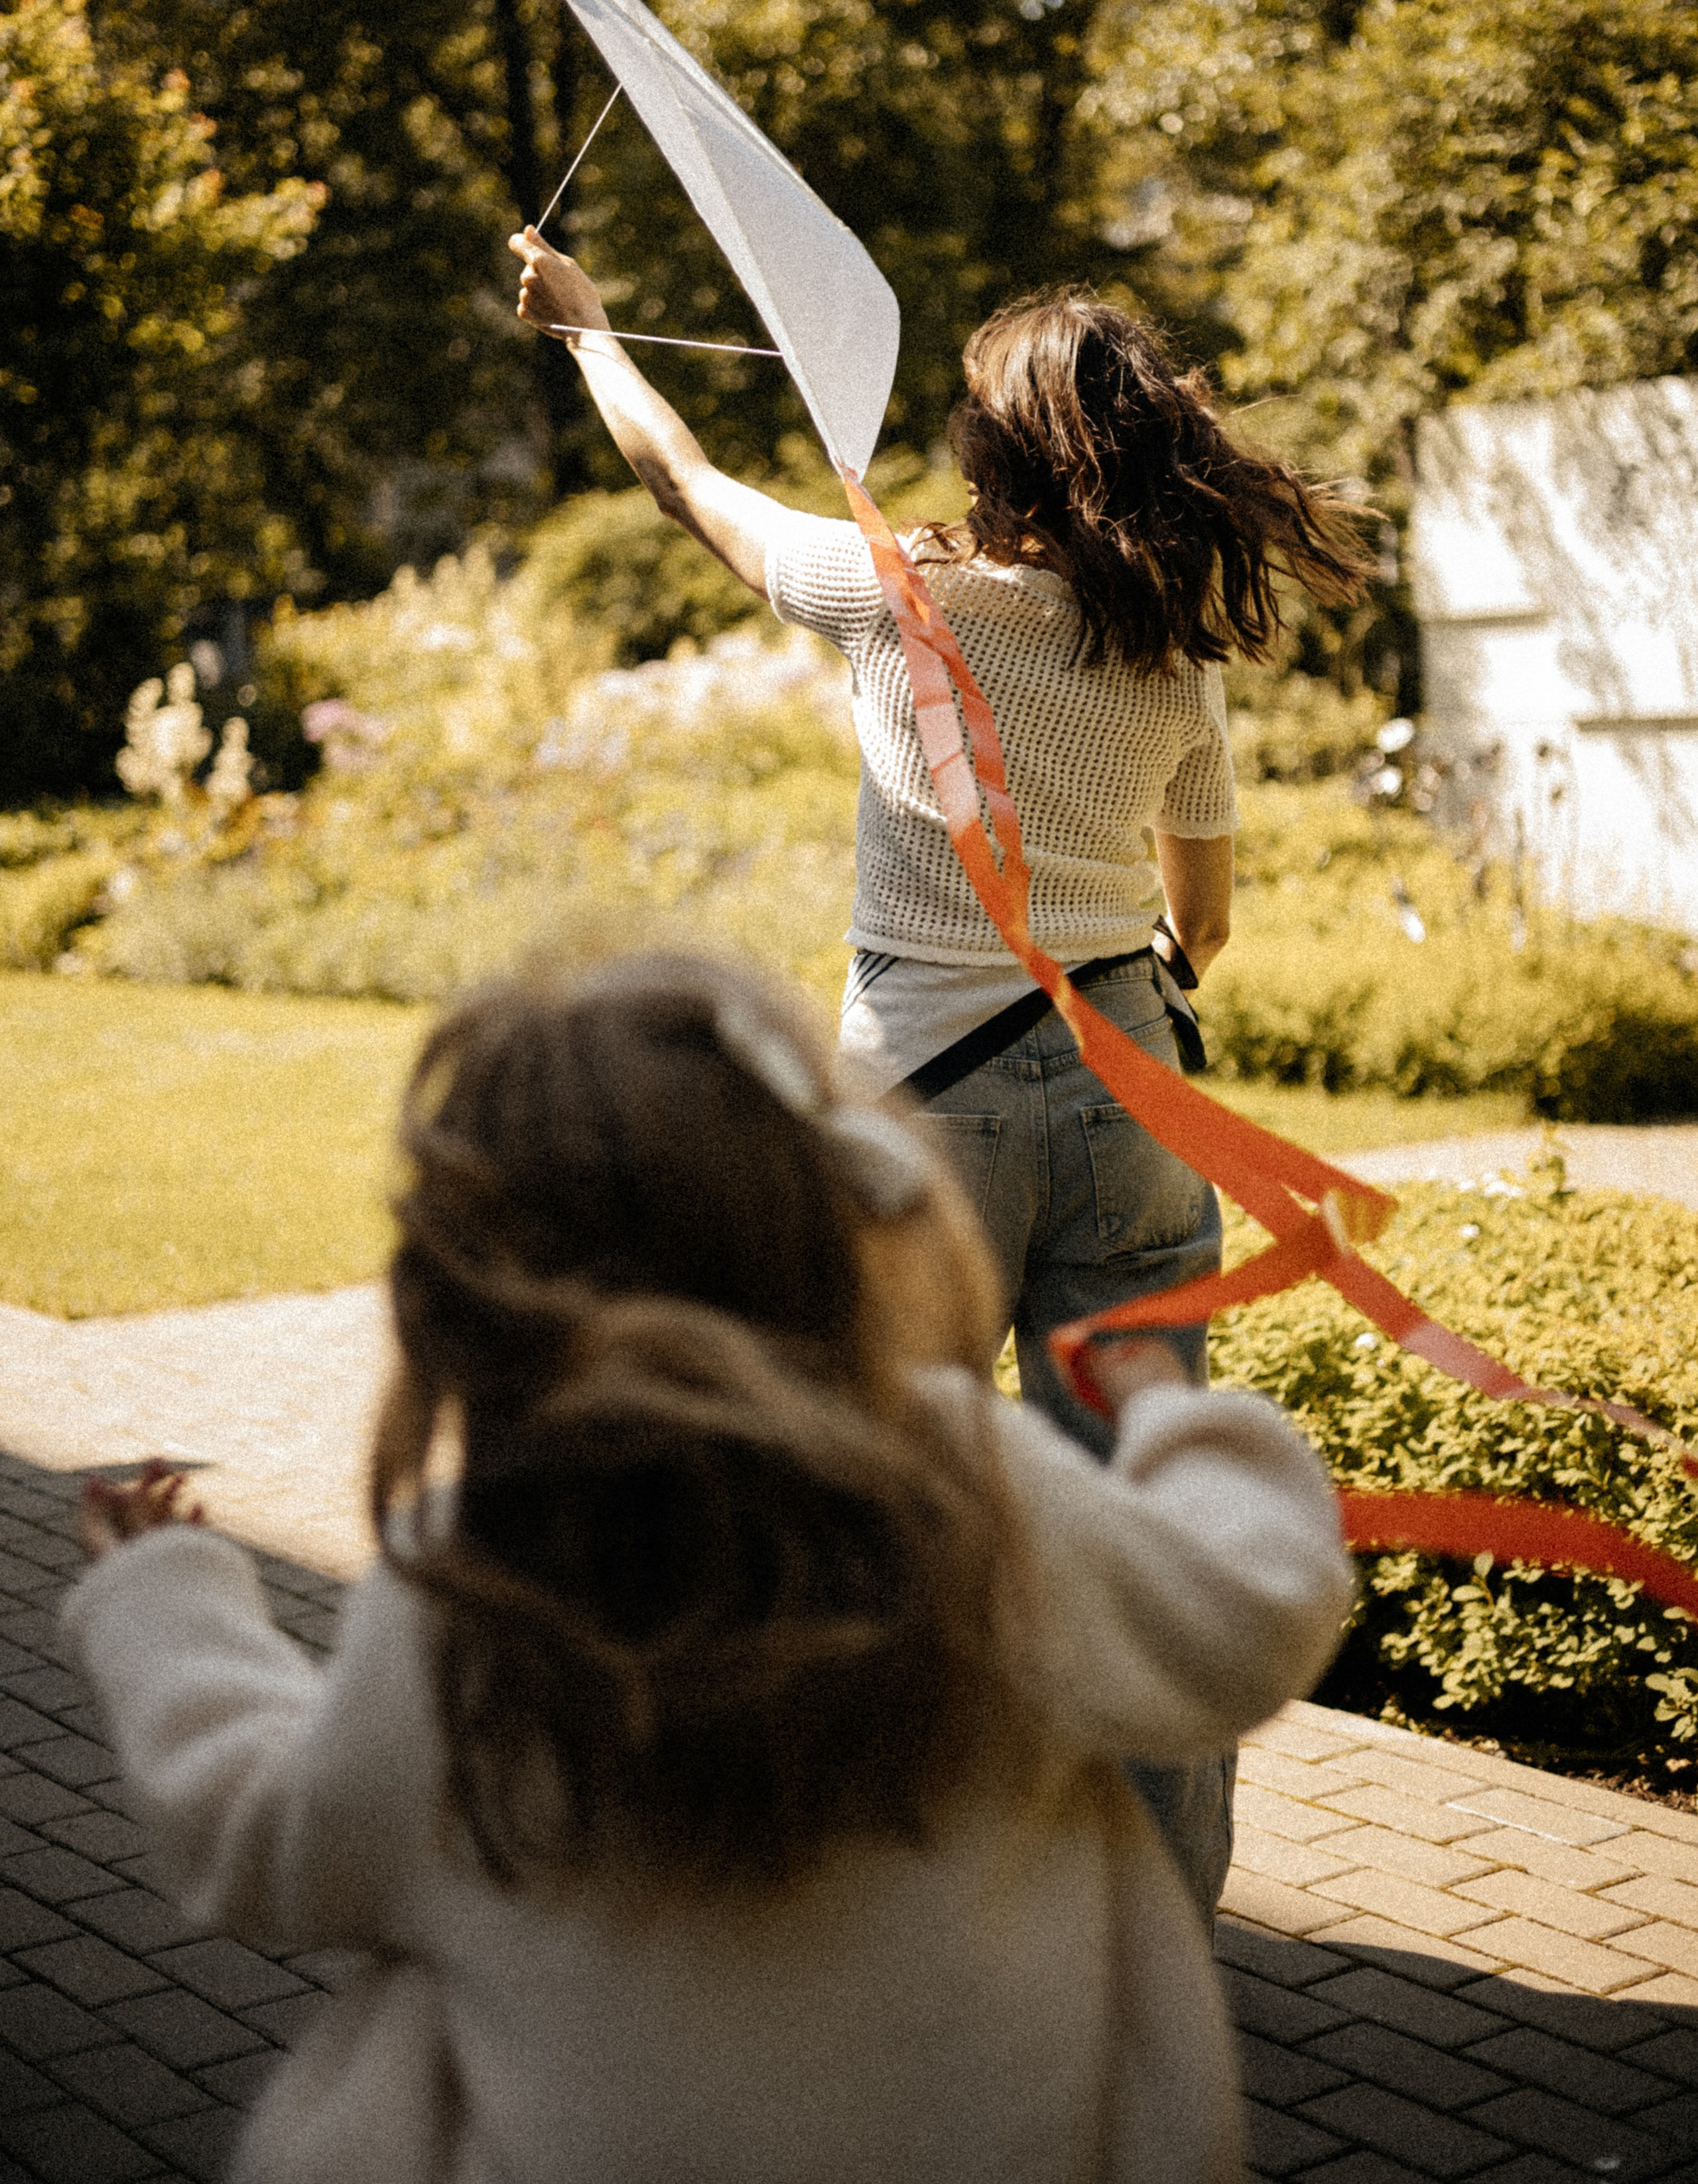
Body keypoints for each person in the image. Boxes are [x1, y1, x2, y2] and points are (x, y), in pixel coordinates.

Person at [68, 955, 1352, 2184]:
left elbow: (275, 1844)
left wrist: (170, 1608)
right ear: (829, 1225)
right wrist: (1179, 1425)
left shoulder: (472, 1582)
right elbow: (1246, 1612)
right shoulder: (967, 1491)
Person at [506, 233, 1370, 1911]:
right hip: (1132, 1099)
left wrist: (590, 333)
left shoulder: (888, 601)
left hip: (920, 1122)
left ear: (996, 454)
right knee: (1136, 1530)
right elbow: (1204, 917)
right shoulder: (1167, 647)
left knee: (861, 1501)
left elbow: (682, 479)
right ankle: (1155, 1925)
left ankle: (842, 1890)